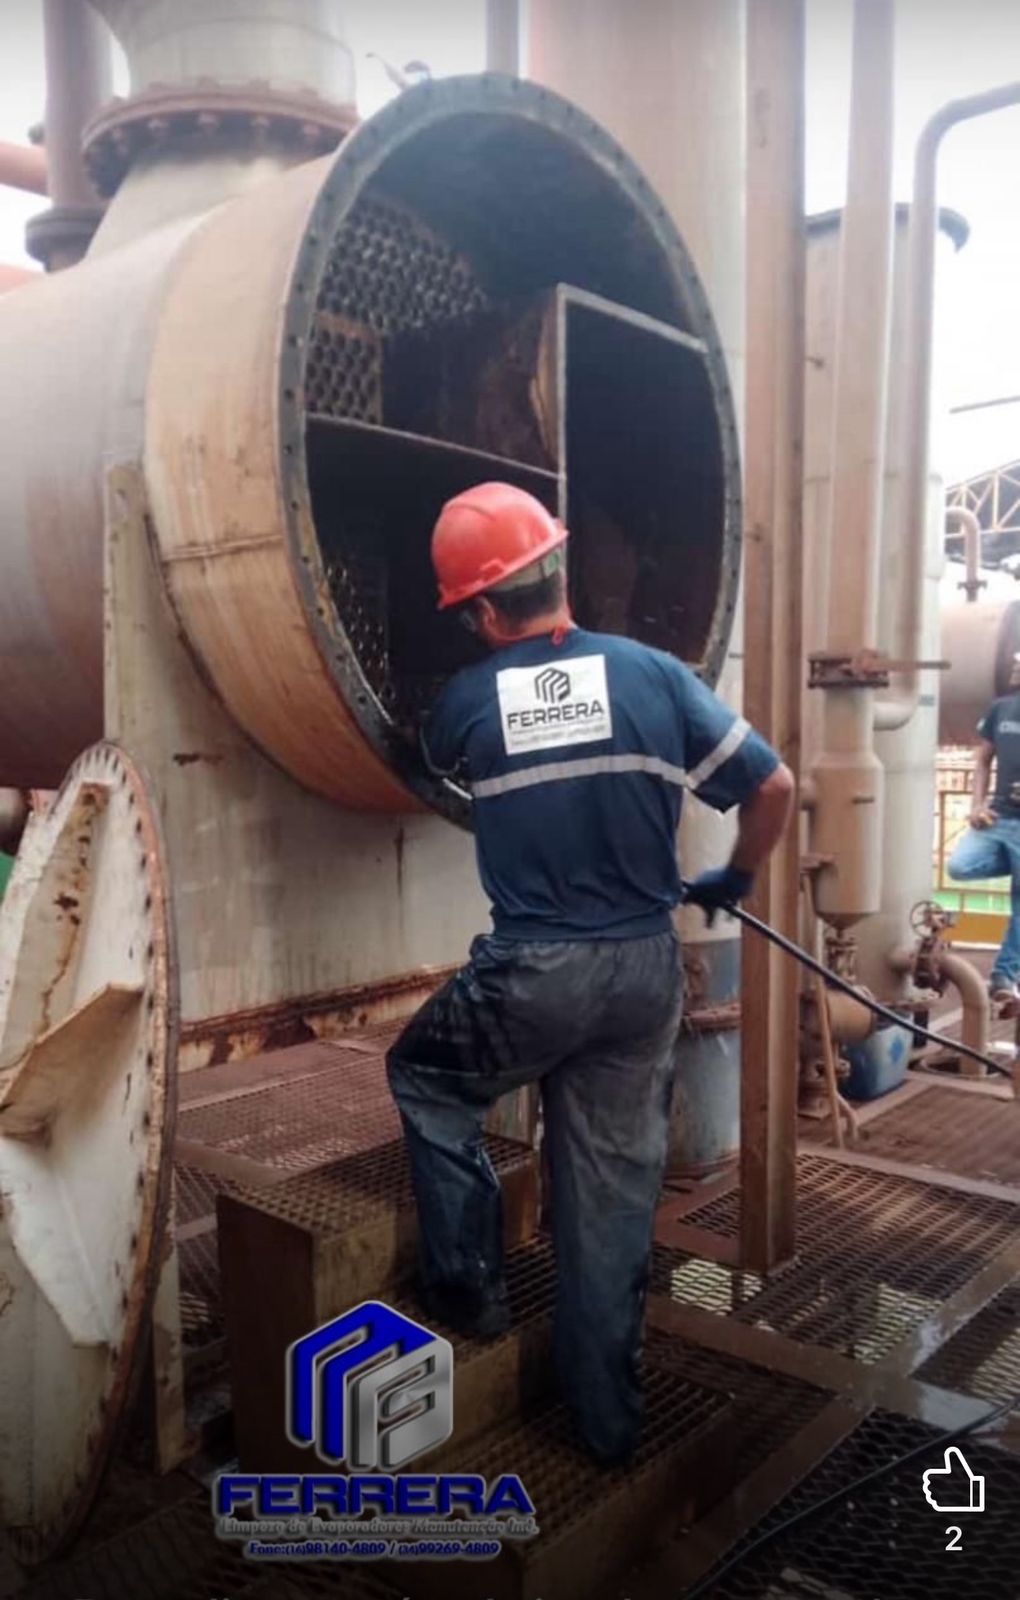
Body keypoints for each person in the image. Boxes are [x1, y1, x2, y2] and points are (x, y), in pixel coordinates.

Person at [386, 482, 793, 1466]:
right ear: (562, 574)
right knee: (609, 1202)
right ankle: (605, 1426)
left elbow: (434, 771)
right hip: (644, 972)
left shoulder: (467, 700)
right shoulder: (656, 675)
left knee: (426, 1077)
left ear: (484, 611)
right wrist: (733, 878)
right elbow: (773, 785)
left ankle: (469, 1286)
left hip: (535, 971)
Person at [947, 653, 1020, 1006]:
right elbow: (982, 759)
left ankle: (1003, 975)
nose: (1016, 662)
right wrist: (977, 805)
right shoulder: (1001, 709)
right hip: (998, 817)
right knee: (959, 866)